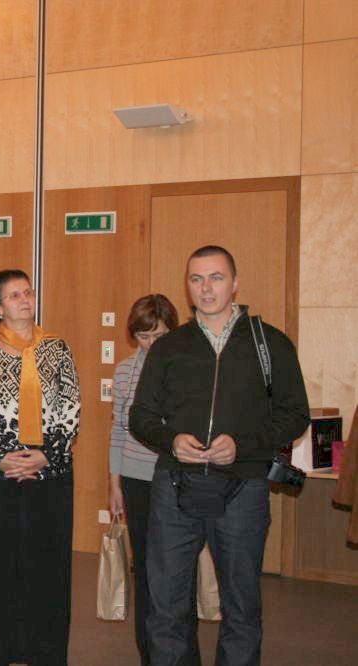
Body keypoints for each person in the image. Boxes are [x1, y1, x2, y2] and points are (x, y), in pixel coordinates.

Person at [130, 246, 310, 665]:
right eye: (196, 279)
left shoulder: (270, 344)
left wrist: (242, 445)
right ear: (187, 286)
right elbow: (140, 417)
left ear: (235, 283)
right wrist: (171, 440)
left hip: (242, 488)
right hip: (175, 488)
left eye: (216, 277)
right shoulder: (169, 347)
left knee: (241, 606)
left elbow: (295, 414)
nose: (206, 288)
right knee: (166, 606)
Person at [0, 269, 80, 666]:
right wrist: (0, 457)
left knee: (48, 568)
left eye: (28, 292)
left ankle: (45, 652)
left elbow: (70, 409)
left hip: (50, 476)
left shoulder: (57, 349)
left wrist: (46, 455)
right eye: (14, 295)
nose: (25, 299)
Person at [107, 294, 182, 666]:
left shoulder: (185, 370)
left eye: (159, 335)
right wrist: (114, 483)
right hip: (136, 479)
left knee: (175, 569)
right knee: (146, 569)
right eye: (144, 336)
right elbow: (118, 431)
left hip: (175, 478)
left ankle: (176, 650)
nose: (151, 343)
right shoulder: (124, 371)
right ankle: (149, 654)